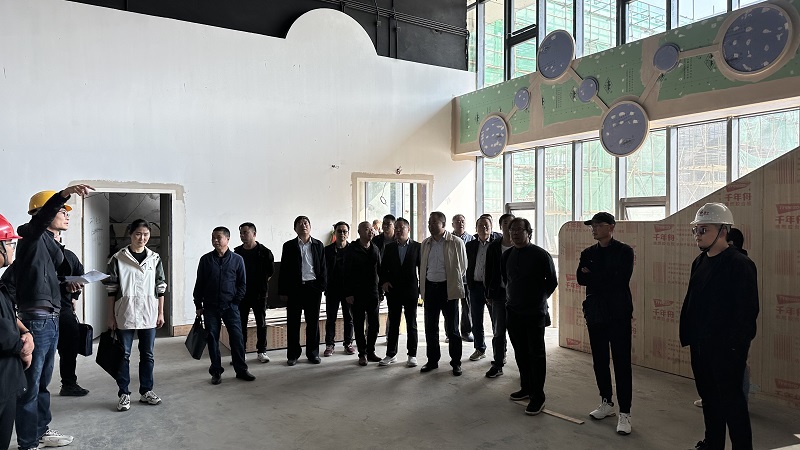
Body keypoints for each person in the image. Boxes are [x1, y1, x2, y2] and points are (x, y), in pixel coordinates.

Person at [13, 185, 92, 450]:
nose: (67, 215)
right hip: (36, 321)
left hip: (52, 318)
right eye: (61, 210)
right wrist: (64, 193)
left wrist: (66, 286)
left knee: (43, 383)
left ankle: (41, 431)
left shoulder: (50, 245)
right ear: (43, 213)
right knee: (30, 386)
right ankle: (28, 442)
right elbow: (37, 224)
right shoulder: (32, 237)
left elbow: (44, 279)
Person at [679, 203, 758, 450]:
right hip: (701, 346)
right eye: (696, 229)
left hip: (726, 350)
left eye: (704, 229)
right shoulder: (700, 261)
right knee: (710, 400)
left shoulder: (739, 264)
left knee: (733, 405)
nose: (697, 234)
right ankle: (713, 443)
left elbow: (747, 313)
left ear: (723, 231)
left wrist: (734, 348)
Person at [576, 212, 634, 435]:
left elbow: (620, 280)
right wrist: (602, 275)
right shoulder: (588, 253)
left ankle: (625, 412)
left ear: (611, 227)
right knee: (600, 361)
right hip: (596, 314)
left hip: (618, 314)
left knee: (621, 363)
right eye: (592, 225)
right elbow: (581, 278)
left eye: (598, 225)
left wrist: (594, 274)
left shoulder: (624, 251)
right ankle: (606, 402)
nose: (594, 229)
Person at [105, 219, 168, 411]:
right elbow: (111, 289)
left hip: (149, 312)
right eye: (138, 234)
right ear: (130, 234)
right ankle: (124, 393)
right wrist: (110, 316)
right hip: (125, 311)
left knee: (147, 354)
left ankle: (146, 391)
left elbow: (160, 287)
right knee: (123, 355)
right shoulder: (118, 258)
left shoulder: (155, 258)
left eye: (146, 234)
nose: (142, 238)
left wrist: (161, 312)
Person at [502, 217, 557, 416]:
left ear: (528, 232)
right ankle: (526, 387)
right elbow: (506, 279)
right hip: (513, 311)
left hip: (534, 313)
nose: (515, 233)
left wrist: (538, 298)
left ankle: (538, 396)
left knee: (536, 354)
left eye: (519, 230)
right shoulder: (507, 255)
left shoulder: (541, 255)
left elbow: (552, 281)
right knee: (520, 352)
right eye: (512, 230)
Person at [193, 226, 254, 384]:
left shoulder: (237, 259)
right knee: (213, 339)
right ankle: (216, 372)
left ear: (227, 239)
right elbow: (200, 283)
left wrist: (235, 302)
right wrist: (198, 304)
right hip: (210, 307)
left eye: (218, 237)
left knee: (237, 339)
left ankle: (241, 370)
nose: (215, 240)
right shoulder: (206, 260)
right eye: (213, 237)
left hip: (230, 307)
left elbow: (242, 284)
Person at [47, 210, 90, 399]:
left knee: (70, 346)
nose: (67, 217)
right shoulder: (37, 251)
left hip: (64, 308)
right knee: (42, 353)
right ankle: (32, 391)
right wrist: (64, 286)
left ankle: (69, 384)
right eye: (62, 212)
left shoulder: (68, 255)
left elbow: (80, 274)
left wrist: (74, 296)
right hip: (43, 309)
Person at [419, 211, 467, 376]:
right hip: (430, 289)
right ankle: (432, 361)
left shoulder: (456, 242)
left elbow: (463, 266)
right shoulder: (426, 243)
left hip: (448, 289)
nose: (430, 225)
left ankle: (456, 362)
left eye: (434, 222)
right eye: (429, 222)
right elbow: (423, 266)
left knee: (452, 329)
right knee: (430, 328)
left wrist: (451, 281)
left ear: (443, 224)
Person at [0, 214, 32, 450]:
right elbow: (3, 336)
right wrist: (23, 348)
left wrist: (26, 332)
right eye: (9, 243)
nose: (12, 248)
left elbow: (8, 315)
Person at [279, 216, 327, 365]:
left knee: (313, 323)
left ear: (310, 227)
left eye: (306, 223)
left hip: (313, 288)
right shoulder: (289, 246)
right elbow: (283, 269)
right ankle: (293, 355)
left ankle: (313, 354)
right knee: (293, 323)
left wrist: (321, 286)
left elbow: (323, 267)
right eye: (300, 223)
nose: (303, 225)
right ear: (295, 229)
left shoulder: (318, 245)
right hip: (295, 289)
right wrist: (283, 291)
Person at [379, 217, 421, 367]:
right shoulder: (389, 247)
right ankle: (391, 354)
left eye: (401, 228)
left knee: (411, 324)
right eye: (396, 228)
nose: (397, 230)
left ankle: (412, 355)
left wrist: (421, 289)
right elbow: (382, 268)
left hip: (411, 291)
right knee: (393, 323)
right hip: (394, 291)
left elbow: (422, 269)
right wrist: (384, 282)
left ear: (408, 229)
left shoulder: (417, 247)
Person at [234, 222, 275, 363]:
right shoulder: (237, 252)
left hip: (259, 293)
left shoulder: (264, 252)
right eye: (241, 233)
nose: (242, 235)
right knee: (241, 323)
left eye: (245, 232)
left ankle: (262, 351)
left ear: (254, 234)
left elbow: (270, 272)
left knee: (261, 323)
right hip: (241, 294)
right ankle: (241, 352)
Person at [345, 221, 382, 366]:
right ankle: (362, 353)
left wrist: (380, 291)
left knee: (374, 324)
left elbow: (379, 270)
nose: (370, 231)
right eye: (366, 229)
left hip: (373, 292)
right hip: (356, 293)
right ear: (359, 232)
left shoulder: (375, 248)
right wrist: (348, 293)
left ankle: (371, 351)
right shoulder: (351, 249)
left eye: (371, 229)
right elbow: (346, 272)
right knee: (359, 324)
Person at [483, 213, 514, 378]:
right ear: (500, 227)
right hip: (499, 294)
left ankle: (525, 367)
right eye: (506, 223)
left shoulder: (521, 245)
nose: (509, 226)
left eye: (512, 223)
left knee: (519, 332)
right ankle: (498, 363)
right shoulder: (494, 246)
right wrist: (488, 292)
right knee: (498, 331)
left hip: (518, 296)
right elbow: (488, 271)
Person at [465, 216, 496, 362]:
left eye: (486, 225)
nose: (484, 228)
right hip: (475, 287)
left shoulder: (496, 244)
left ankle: (500, 351)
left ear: (491, 227)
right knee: (476, 320)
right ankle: (480, 348)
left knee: (496, 321)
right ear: (476, 228)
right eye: (480, 225)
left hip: (491, 288)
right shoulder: (470, 245)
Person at [323, 222, 355, 357]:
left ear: (348, 233)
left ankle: (348, 343)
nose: (342, 234)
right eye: (339, 231)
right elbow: (323, 270)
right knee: (331, 318)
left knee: (349, 317)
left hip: (348, 290)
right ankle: (329, 345)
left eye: (344, 231)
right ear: (335, 233)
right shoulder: (327, 250)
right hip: (332, 289)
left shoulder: (352, 249)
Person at [452, 214, 474, 342]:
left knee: (467, 307)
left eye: (462, 221)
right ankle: (451, 332)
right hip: (452, 279)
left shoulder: (471, 239)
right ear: (452, 224)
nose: (460, 223)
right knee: (452, 307)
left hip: (466, 279)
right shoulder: (448, 239)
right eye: (457, 221)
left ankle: (466, 332)